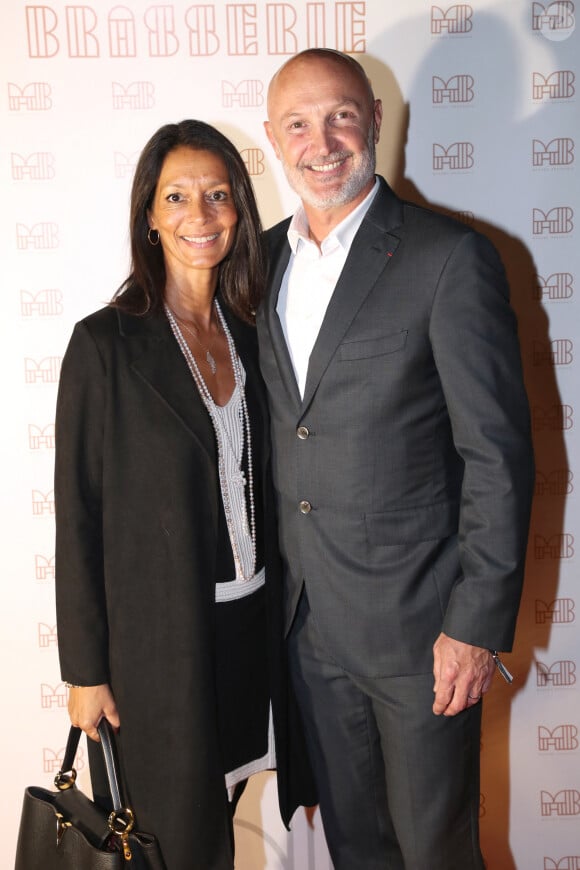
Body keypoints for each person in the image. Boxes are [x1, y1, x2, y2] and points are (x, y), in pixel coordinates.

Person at [257, 48, 535, 869]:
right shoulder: (260, 262)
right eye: (298, 124)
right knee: (357, 850)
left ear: (376, 119)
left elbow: (497, 457)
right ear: (274, 141)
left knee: (436, 851)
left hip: (423, 636)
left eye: (341, 114)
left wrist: (475, 626)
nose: (323, 141)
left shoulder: (448, 259)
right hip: (309, 632)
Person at [54, 119, 315, 870]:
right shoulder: (105, 345)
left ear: (238, 209)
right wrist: (85, 671)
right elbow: (78, 515)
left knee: (228, 821)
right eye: (177, 196)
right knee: (176, 846)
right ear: (150, 216)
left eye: (217, 194)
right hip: (161, 653)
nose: (199, 215)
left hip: (255, 633)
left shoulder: (255, 327)